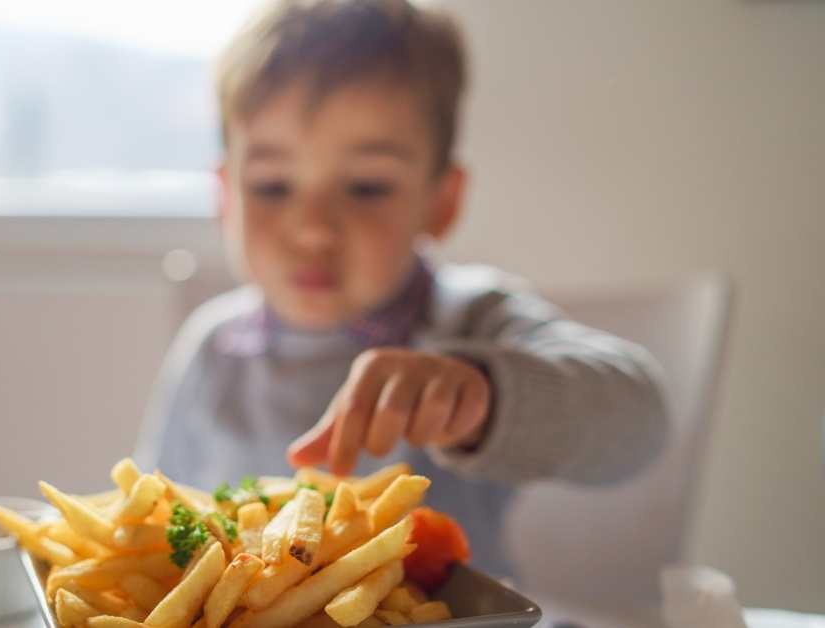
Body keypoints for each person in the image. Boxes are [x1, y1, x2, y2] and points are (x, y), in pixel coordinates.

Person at [133, 0, 666, 579]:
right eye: (271, 184)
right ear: (226, 197)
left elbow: (639, 421)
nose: (313, 227)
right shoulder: (210, 349)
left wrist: (481, 395)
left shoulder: (471, 321)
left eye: (366, 186)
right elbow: (152, 527)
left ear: (441, 200)